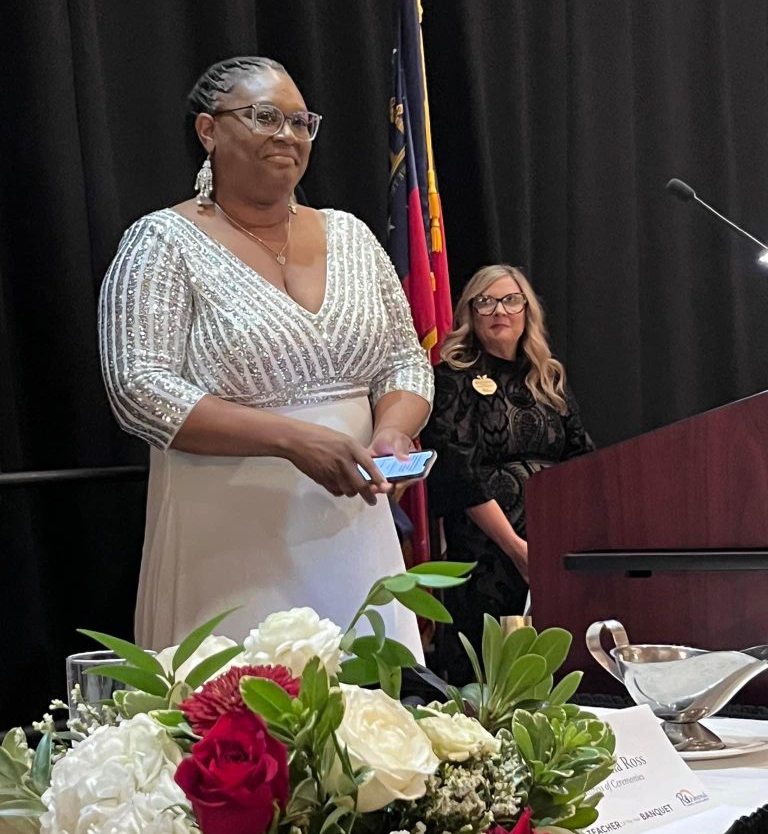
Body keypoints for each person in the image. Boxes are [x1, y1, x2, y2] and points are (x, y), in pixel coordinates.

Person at [99, 56, 433, 656]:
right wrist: (291, 440)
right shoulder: (161, 241)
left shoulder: (352, 235)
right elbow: (139, 388)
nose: (288, 133)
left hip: (355, 526)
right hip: (229, 542)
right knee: (239, 724)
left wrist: (392, 432)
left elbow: (404, 360)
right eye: (264, 117)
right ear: (209, 131)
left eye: (301, 121)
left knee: (372, 722)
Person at [421, 264, 593, 684]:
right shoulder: (452, 379)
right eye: (486, 300)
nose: (499, 309)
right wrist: (517, 548)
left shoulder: (548, 379)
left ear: (527, 311)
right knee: (492, 680)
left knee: (558, 671)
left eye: (510, 299)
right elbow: (457, 473)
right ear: (470, 313)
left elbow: (582, 461)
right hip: (488, 553)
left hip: (554, 548)